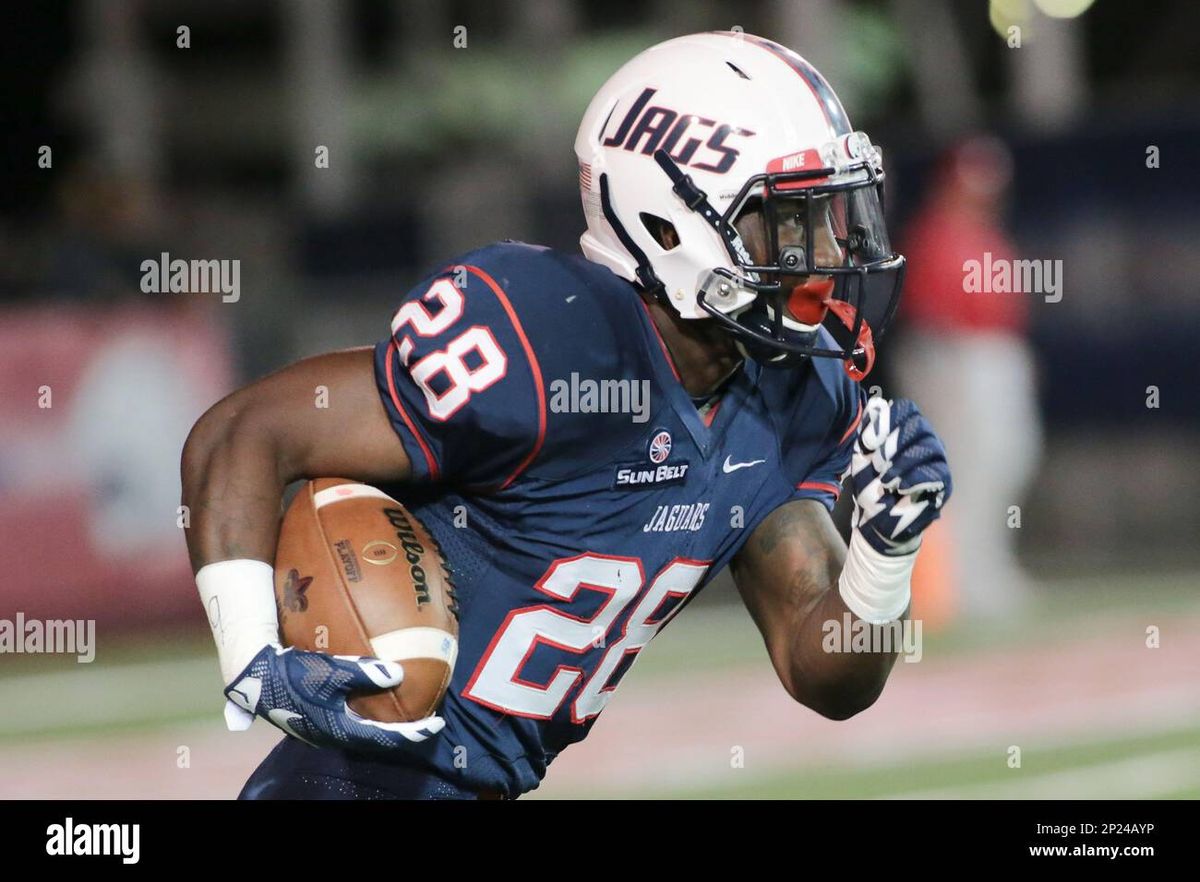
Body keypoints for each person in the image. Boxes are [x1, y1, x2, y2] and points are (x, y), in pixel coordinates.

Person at [181, 31, 951, 800]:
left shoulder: (794, 393)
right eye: (791, 221)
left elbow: (826, 677)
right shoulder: (552, 338)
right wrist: (254, 658)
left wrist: (882, 559)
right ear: (669, 221)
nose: (824, 253)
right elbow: (246, 430)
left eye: (831, 215)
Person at [894, 135, 1040, 621]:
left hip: (993, 360)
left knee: (1007, 464)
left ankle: (987, 572)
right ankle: (951, 585)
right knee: (961, 472)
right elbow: (928, 315)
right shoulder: (935, 232)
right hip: (956, 361)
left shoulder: (986, 233)